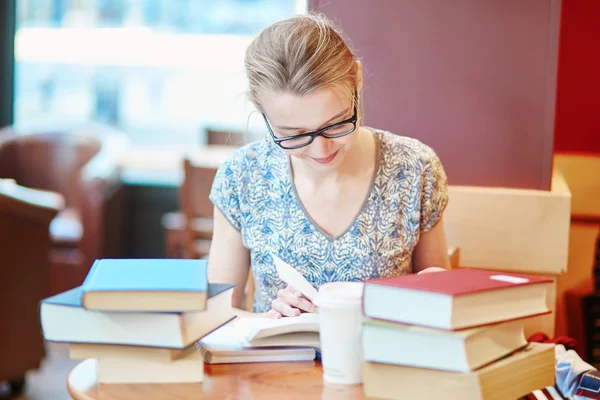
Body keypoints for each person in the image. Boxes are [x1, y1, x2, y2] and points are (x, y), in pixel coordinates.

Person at [207, 12, 450, 319]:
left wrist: (434, 294)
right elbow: (216, 316)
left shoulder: (416, 168)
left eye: (336, 124)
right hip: (275, 364)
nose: (321, 149)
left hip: (382, 360)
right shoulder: (241, 175)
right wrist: (266, 322)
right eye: (293, 135)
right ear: (263, 113)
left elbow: (442, 301)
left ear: (357, 80)